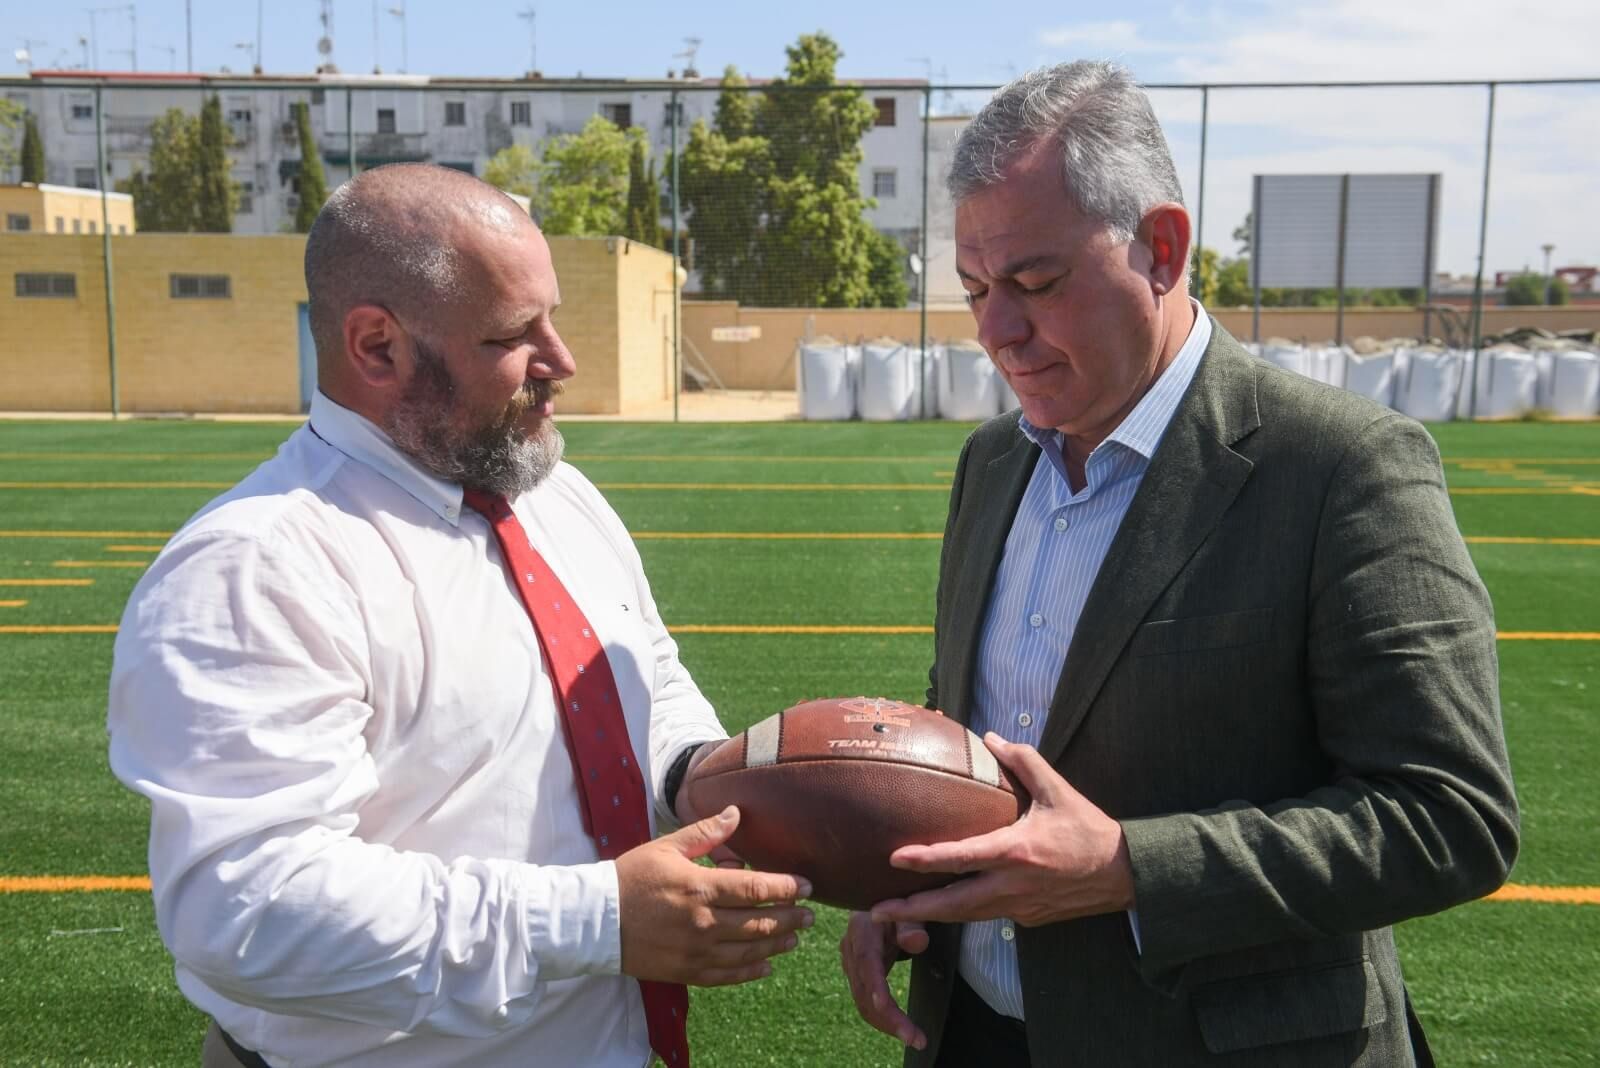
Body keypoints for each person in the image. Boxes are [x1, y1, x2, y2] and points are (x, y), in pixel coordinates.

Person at [840, 61, 1518, 1067]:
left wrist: (1128, 867)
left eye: (1033, 282)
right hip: (973, 1034)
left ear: (1162, 247)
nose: (996, 332)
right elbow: (979, 721)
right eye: (975, 289)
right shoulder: (990, 463)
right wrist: (910, 883)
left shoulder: (1340, 466)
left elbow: (1449, 816)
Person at [107, 163, 812, 1068]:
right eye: (515, 335)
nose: (562, 361)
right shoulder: (258, 565)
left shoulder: (558, 495)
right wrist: (597, 919)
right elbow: (245, 906)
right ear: (377, 347)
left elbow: (647, 673)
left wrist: (703, 774)